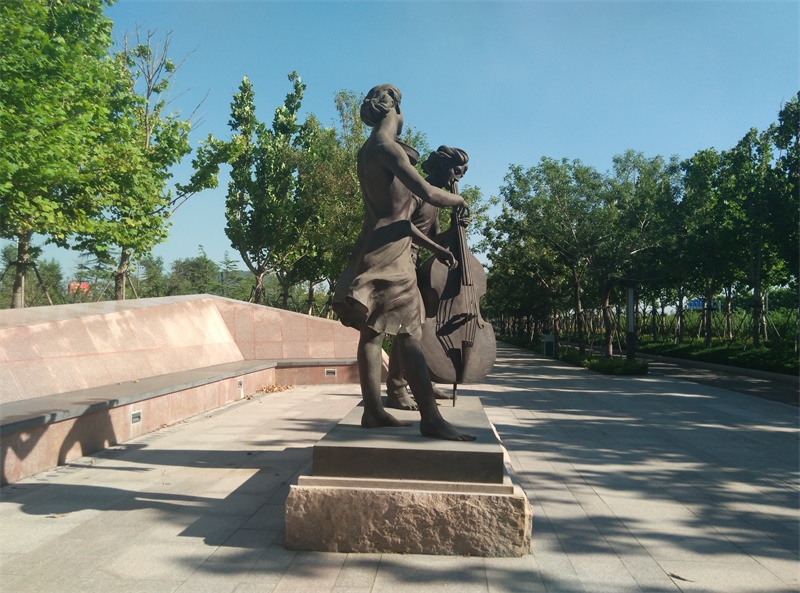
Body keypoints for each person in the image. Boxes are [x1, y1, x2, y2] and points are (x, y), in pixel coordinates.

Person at [332, 84, 474, 441]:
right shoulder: (387, 148)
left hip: (374, 245)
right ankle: (431, 419)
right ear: (395, 108)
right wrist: (459, 201)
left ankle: (374, 412)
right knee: (410, 334)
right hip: (394, 254)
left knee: (373, 333)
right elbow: (428, 193)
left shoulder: (368, 150)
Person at [385, 146, 470, 410]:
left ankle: (422, 380)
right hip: (400, 261)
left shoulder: (433, 203)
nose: (458, 178)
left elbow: (433, 239)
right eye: (457, 171)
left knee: (416, 328)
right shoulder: (416, 192)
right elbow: (404, 225)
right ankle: (396, 388)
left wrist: (455, 230)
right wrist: (438, 250)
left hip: (413, 264)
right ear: (442, 166)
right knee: (407, 328)